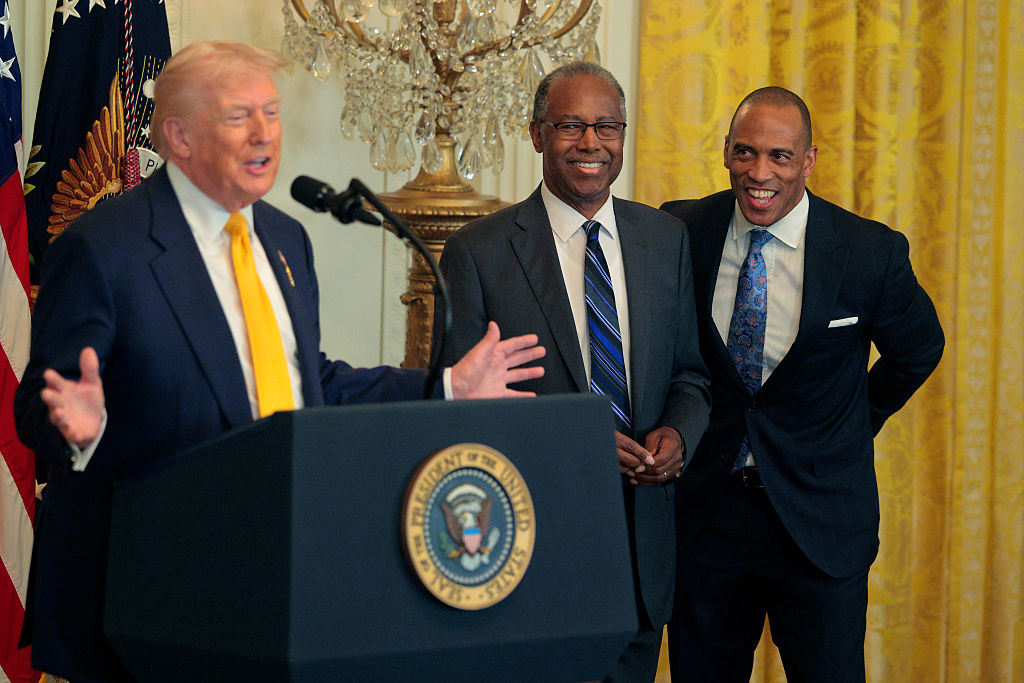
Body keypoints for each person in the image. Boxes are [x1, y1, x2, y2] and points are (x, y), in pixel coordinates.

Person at [14, 40, 546, 683]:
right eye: (240, 116)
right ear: (178, 137)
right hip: (147, 596)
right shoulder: (103, 248)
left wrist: (448, 387)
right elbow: (41, 407)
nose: (265, 132)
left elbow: (307, 383)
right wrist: (79, 427)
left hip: (269, 580)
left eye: (272, 112)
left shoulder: (283, 236)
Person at [436, 61, 711, 682]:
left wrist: (679, 436)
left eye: (606, 127)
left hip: (642, 553)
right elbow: (457, 413)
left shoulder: (665, 238)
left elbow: (690, 375)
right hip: (529, 552)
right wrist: (574, 440)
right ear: (536, 135)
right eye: (570, 126)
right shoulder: (478, 252)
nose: (592, 144)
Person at [661, 86, 944, 682]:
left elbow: (919, 351)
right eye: (745, 153)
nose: (759, 173)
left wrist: (853, 420)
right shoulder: (680, 230)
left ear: (808, 160)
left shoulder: (869, 252)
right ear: (726, 152)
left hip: (819, 525)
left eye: (779, 157)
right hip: (706, 519)